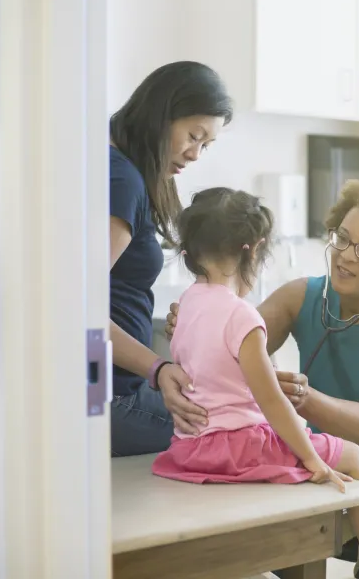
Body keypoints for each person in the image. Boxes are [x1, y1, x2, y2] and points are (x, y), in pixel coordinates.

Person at [164, 178, 359, 577]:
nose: (346, 256)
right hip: (327, 463)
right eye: (342, 238)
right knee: (288, 541)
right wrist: (193, 331)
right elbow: (233, 342)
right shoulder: (303, 296)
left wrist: (306, 400)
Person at [108, 61, 234, 457]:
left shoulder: (114, 166)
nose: (195, 154)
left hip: (111, 389)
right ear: (162, 113)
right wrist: (158, 369)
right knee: (247, 427)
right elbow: (77, 308)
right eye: (193, 136)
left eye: (205, 145)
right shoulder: (122, 180)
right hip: (111, 398)